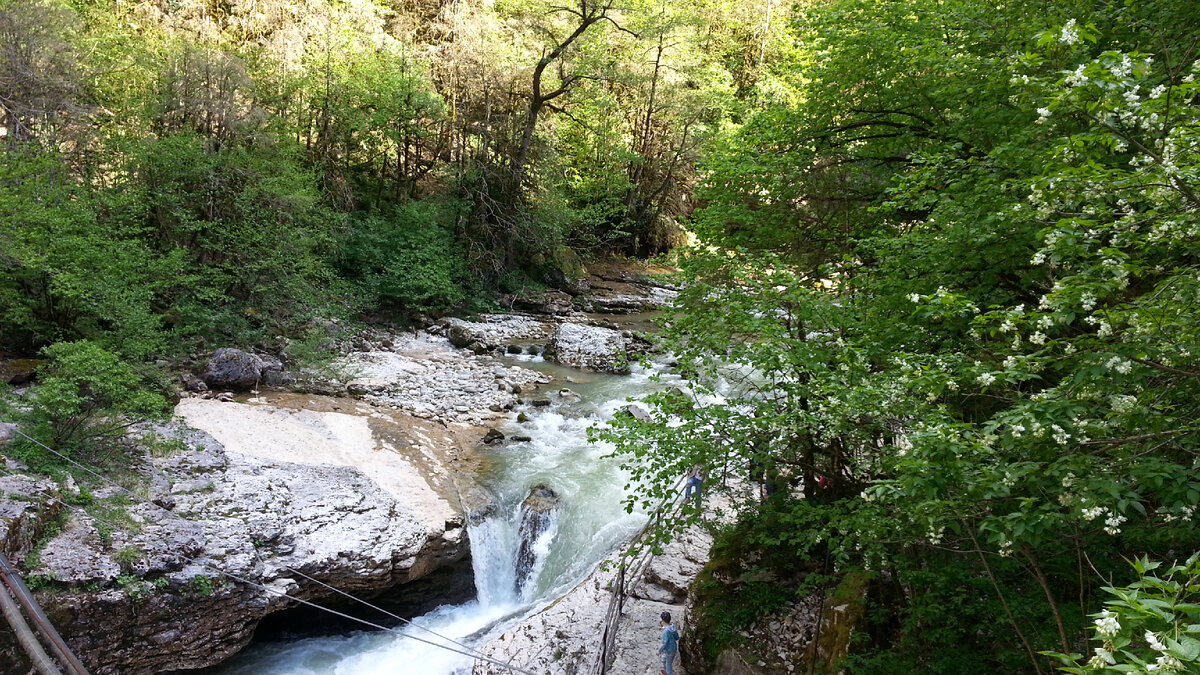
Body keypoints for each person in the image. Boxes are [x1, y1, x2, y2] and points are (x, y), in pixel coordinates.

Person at [657, 611, 679, 675]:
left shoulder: (666, 631)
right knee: (664, 660)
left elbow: (664, 643)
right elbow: (677, 637)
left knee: (668, 666)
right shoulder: (673, 627)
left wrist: (659, 651)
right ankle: (666, 672)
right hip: (673, 648)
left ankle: (668, 673)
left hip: (669, 650)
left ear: (662, 620)